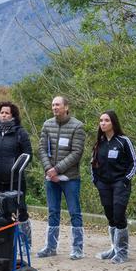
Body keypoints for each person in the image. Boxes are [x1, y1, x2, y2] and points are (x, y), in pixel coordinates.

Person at [39, 96, 87, 259]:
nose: (54, 107)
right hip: (50, 178)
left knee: (74, 212)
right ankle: (51, 247)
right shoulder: (47, 125)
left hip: (70, 178)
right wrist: (49, 170)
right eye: (53, 105)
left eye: (57, 105)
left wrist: (57, 169)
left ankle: (77, 248)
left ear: (66, 107)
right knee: (53, 211)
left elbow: (77, 152)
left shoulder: (77, 126)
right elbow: (42, 149)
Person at [0, 102, 33, 249]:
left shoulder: (20, 133)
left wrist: (17, 169)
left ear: (13, 115)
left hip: (15, 179)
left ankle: (25, 243)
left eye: (7, 113)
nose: (3, 115)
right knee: (2, 210)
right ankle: (5, 242)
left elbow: (28, 155)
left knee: (20, 210)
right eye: (2, 113)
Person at [91, 110, 136, 263]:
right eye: (101, 120)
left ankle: (122, 252)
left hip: (120, 183)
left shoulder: (123, 141)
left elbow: (134, 162)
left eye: (106, 120)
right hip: (103, 184)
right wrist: (96, 181)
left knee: (119, 214)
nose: (103, 123)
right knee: (110, 214)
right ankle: (114, 248)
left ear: (113, 122)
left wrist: (125, 179)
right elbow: (93, 163)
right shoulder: (99, 143)